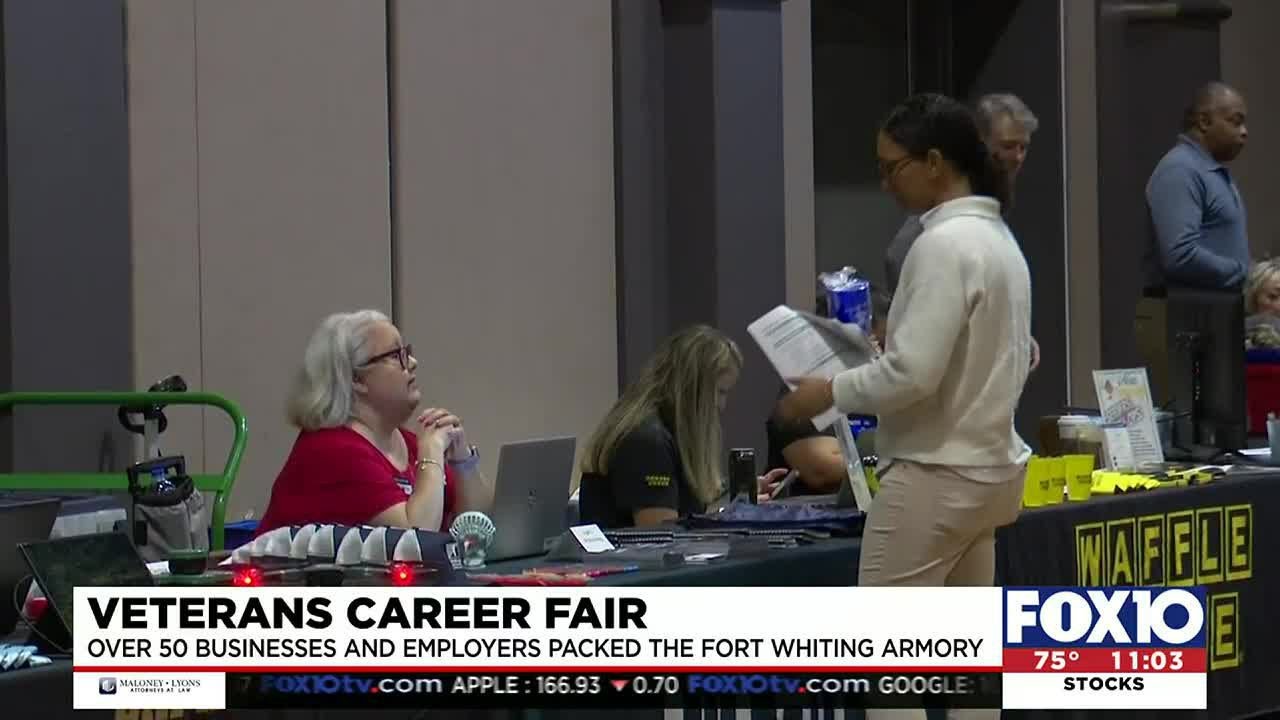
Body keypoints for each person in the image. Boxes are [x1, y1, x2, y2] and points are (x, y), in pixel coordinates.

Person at [779, 94, 1032, 693]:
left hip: (937, 475)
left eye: (893, 167)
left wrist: (827, 391)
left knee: (884, 668)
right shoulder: (999, 238)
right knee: (972, 673)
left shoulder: (941, 245)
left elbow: (913, 375)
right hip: (991, 472)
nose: (886, 183)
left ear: (935, 163)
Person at [256, 310, 495, 535]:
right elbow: (414, 539)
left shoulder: (409, 443)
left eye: (406, 352)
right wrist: (432, 454)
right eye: (396, 356)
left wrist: (463, 462)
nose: (412, 362)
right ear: (356, 378)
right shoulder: (332, 451)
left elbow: (482, 527)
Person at [884, 92, 1040, 372]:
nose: (1017, 157)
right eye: (1007, 146)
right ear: (979, 142)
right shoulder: (950, 206)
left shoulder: (990, 205)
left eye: (1023, 147)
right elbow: (899, 255)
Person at [578, 325, 786, 528]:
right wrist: (731, 515)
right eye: (719, 392)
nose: (721, 405)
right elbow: (662, 535)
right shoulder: (647, 442)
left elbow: (686, 511)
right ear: (692, 389)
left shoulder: (661, 433)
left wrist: (734, 501)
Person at [764, 287, 890, 495]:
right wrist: (902, 461)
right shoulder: (804, 392)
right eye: (881, 344)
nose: (885, 355)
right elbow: (823, 469)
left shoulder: (880, 390)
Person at [1144, 81, 1250, 292]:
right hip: (1186, 309)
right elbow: (1180, 255)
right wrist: (1245, 274)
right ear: (1204, 121)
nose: (1244, 132)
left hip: (1212, 307)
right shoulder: (1180, 169)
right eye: (1236, 122)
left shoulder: (1208, 171)